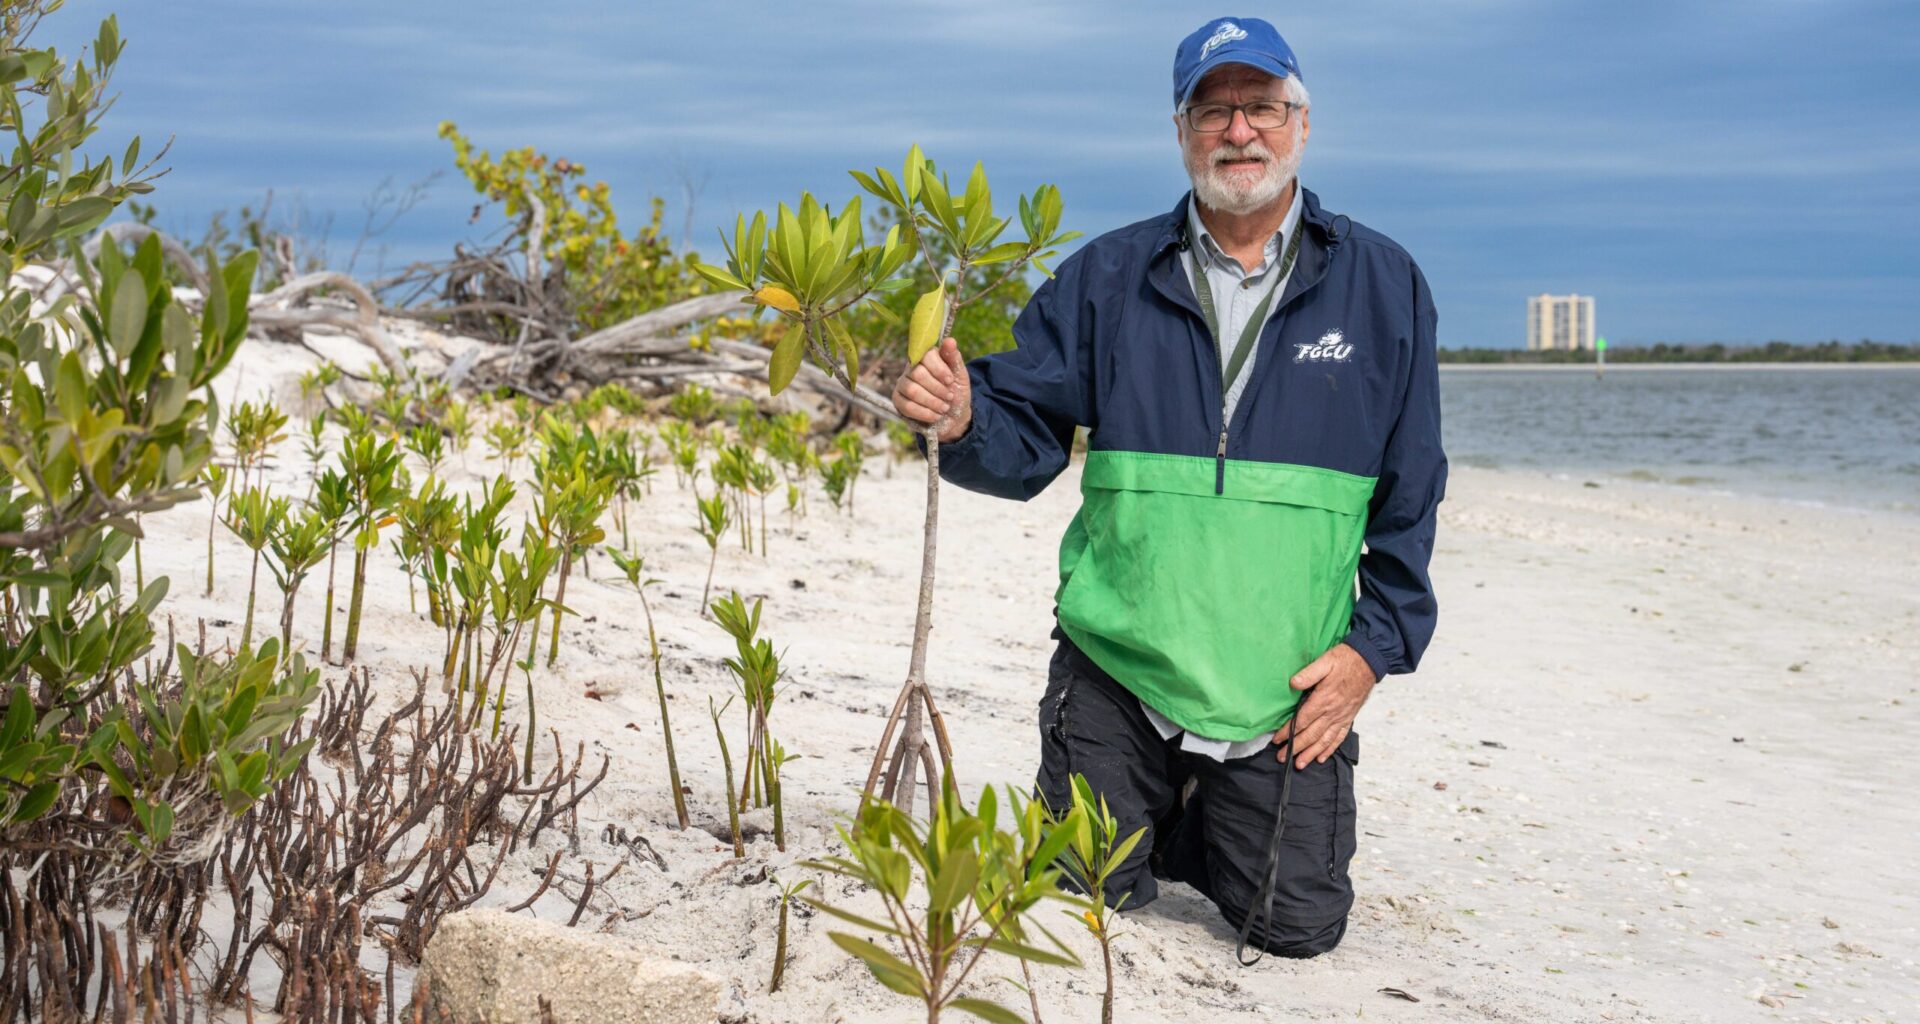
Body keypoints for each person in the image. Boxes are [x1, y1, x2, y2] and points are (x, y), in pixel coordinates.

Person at [889, 15, 1446, 959]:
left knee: (1296, 929)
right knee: (1080, 898)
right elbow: (1022, 437)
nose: (1240, 131)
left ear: (1301, 124)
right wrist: (957, 420)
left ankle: (1198, 811)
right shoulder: (1106, 276)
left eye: (1262, 107)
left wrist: (1369, 654)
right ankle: (1147, 791)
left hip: (1281, 689)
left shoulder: (1385, 284)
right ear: (1181, 131)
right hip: (1122, 666)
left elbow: (1412, 494)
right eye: (1214, 110)